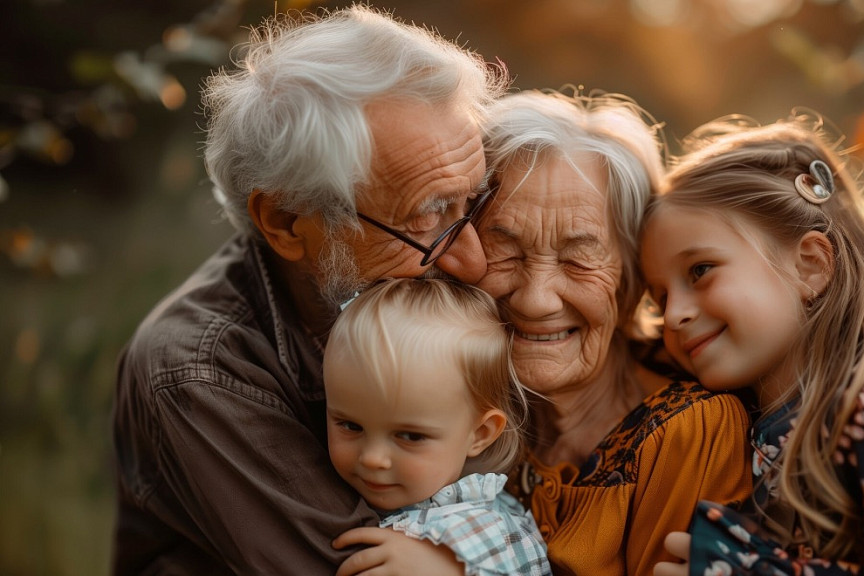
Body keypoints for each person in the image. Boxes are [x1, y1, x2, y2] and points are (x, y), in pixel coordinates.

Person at [111, 6, 509, 575]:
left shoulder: (421, 302)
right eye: (428, 217)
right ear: (287, 223)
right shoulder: (199, 372)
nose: (474, 262)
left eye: (471, 202)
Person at [642, 115, 864, 575]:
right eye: (659, 298)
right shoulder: (734, 419)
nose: (673, 316)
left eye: (699, 270)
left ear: (810, 265)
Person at [475, 88, 754, 576]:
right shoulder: (452, 403)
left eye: (578, 257)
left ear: (634, 281)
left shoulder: (687, 434)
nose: (534, 298)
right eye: (506, 250)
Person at [323, 277, 552, 575]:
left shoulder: (489, 528)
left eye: (410, 436)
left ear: (479, 434)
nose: (372, 458)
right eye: (350, 426)